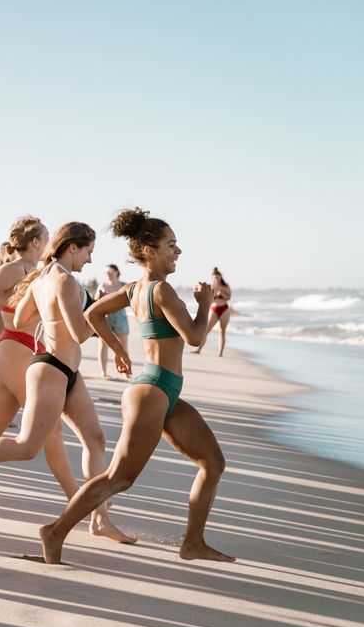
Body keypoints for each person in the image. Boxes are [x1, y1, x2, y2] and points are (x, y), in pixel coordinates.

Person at [0, 217, 132, 541]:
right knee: (40, 439)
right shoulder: (33, 273)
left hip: (40, 356)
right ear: (69, 246)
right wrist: (95, 312)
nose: (90, 259)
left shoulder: (39, 275)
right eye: (88, 251)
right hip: (26, 353)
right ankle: (79, 501)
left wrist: (49, 315)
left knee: (2, 428)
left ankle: (92, 512)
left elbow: (21, 315)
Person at [40, 208, 233, 564]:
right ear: (149, 250)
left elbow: (92, 314)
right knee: (119, 477)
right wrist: (205, 304)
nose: (178, 251)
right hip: (153, 392)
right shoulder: (161, 291)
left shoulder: (134, 290)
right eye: (171, 245)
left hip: (163, 391)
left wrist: (118, 351)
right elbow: (193, 337)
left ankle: (193, 543)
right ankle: (55, 531)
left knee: (213, 462)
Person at [96, 264, 130, 379]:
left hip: (121, 316)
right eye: (106, 273)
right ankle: (103, 372)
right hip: (105, 317)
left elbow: (132, 302)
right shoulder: (102, 286)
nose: (108, 275)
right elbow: (95, 303)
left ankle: (127, 372)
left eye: (110, 272)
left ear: (116, 272)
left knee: (123, 345)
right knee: (103, 344)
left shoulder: (124, 285)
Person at [193, 267, 232, 356]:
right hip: (214, 309)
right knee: (206, 330)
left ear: (220, 277)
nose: (216, 279)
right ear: (212, 278)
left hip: (224, 308)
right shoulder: (210, 287)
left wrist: (221, 292)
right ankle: (199, 349)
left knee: (222, 331)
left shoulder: (226, 286)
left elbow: (229, 297)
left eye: (217, 277)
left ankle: (220, 353)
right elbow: (208, 300)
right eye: (214, 277)